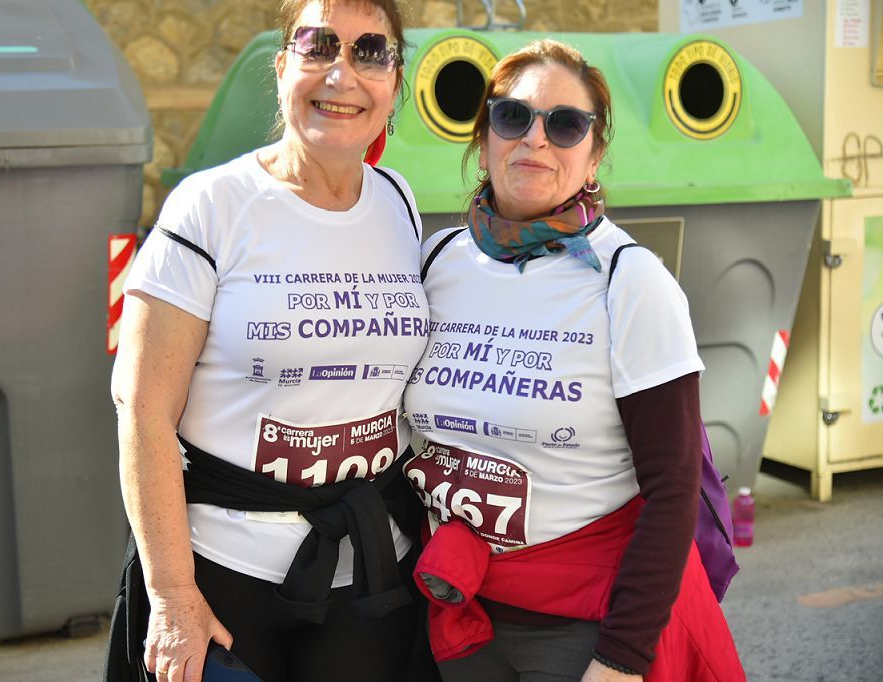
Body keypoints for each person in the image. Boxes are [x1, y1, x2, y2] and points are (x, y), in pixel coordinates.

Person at [104, 2, 435, 681]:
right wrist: (171, 597)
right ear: (283, 68)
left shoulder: (399, 203)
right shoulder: (211, 207)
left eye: (371, 52)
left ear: (394, 85)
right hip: (226, 577)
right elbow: (142, 412)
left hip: (370, 578)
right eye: (319, 47)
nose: (342, 73)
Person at [402, 40, 745, 681]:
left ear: (593, 154)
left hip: (581, 630)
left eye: (565, 125)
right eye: (512, 117)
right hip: (459, 610)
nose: (535, 139)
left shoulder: (628, 280)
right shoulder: (435, 261)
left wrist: (620, 660)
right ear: (484, 140)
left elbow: (672, 492)